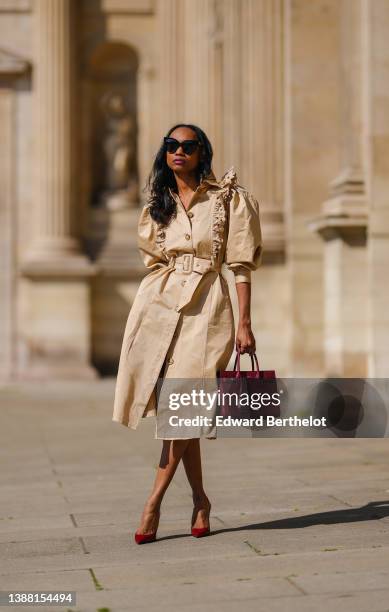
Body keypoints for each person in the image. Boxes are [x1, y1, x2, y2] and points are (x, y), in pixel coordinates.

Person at [112, 123, 263, 543]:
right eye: (172, 145)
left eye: (188, 146)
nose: (179, 152)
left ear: (202, 153)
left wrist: (245, 323)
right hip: (160, 306)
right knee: (182, 407)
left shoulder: (229, 199)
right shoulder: (157, 205)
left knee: (183, 404)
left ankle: (152, 505)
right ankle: (200, 500)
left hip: (209, 307)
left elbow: (240, 265)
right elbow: (154, 261)